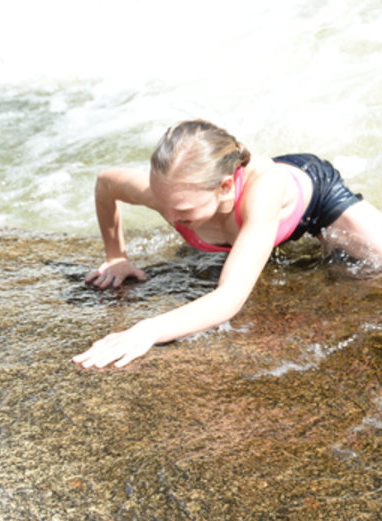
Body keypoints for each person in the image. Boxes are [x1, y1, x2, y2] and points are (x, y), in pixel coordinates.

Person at [72, 119, 382, 370]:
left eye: (182, 210)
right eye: (163, 205)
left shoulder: (265, 188)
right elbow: (106, 182)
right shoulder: (167, 196)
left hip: (315, 198)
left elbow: (230, 298)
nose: (169, 217)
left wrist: (145, 331)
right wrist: (116, 257)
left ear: (224, 186)